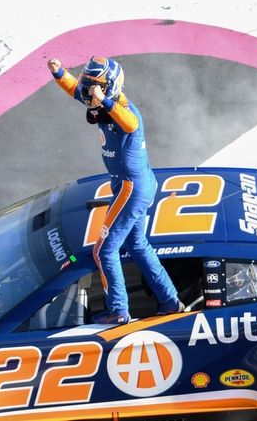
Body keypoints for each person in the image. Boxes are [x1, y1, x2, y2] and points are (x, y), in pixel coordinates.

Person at [47, 56, 183, 324]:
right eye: (89, 86)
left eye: (94, 87)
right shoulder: (100, 102)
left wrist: (105, 100)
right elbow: (77, 90)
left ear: (108, 88)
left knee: (104, 251)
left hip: (130, 189)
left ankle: (119, 312)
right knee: (137, 245)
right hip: (130, 185)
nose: (88, 92)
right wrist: (60, 72)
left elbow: (130, 124)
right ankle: (171, 302)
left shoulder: (124, 110)